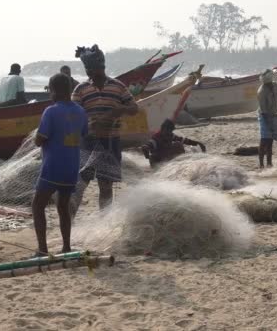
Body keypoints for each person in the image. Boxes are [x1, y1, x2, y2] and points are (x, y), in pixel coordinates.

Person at [72, 44, 139, 209]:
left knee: (106, 186)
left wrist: (120, 109)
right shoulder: (80, 89)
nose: (89, 72)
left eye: (91, 68)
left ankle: (104, 221)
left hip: (110, 142)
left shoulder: (118, 86)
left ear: (101, 67)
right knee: (80, 185)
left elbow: (134, 108)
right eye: (87, 69)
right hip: (87, 143)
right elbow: (72, 115)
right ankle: (70, 221)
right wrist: (87, 124)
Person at [32, 73, 88, 255]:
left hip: (52, 167)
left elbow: (40, 140)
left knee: (37, 205)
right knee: (63, 207)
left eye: (50, 89)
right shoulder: (80, 111)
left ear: (54, 90)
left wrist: (36, 137)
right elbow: (84, 133)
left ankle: (42, 249)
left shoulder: (51, 111)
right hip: (71, 167)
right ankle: (66, 246)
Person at [141, 119, 206, 167]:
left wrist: (198, 143)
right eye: (169, 131)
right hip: (158, 161)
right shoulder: (156, 139)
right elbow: (145, 147)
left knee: (178, 144)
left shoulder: (170, 135)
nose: (170, 133)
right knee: (177, 145)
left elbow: (184, 140)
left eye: (171, 131)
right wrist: (146, 154)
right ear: (163, 129)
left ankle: (181, 162)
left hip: (167, 159)